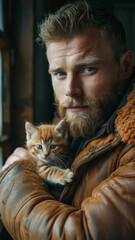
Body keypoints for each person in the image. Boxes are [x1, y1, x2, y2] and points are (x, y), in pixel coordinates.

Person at [0, 0, 135, 239]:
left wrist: (15, 180)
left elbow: (83, 234)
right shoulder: (70, 123)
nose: (70, 90)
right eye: (60, 73)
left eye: (87, 69)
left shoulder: (130, 141)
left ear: (125, 65)